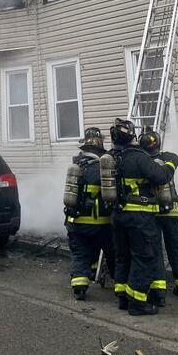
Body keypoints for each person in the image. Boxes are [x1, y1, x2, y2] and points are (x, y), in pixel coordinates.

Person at [110, 118, 178, 316]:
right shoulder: (139, 157)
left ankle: (124, 298)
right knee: (144, 257)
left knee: (123, 256)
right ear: (132, 136)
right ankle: (138, 303)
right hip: (139, 217)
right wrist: (171, 163)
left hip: (118, 216)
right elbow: (162, 176)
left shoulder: (112, 157)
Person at [139, 128, 178, 302]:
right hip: (171, 213)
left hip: (152, 213)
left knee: (155, 251)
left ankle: (159, 293)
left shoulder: (142, 162)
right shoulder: (169, 157)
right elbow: (176, 158)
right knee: (175, 249)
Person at [64, 127, 116, 301]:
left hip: (77, 222)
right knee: (113, 254)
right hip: (103, 224)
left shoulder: (76, 167)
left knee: (80, 254)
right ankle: (121, 286)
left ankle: (79, 288)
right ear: (99, 151)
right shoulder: (102, 169)